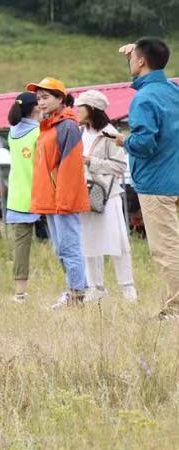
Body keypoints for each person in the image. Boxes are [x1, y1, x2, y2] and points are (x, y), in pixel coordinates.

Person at [118, 38, 179, 319]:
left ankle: (176, 309)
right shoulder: (172, 91)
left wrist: (123, 140)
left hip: (156, 184)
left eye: (133, 58)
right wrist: (139, 52)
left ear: (141, 61)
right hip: (175, 177)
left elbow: (144, 143)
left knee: (167, 251)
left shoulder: (144, 98)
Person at [26, 77, 90, 308]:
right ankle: (75, 290)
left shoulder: (68, 126)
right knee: (60, 248)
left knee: (69, 248)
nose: (41, 103)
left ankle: (77, 295)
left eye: (46, 97)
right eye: (38, 98)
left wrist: (64, 200)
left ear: (60, 99)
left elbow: (71, 168)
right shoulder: (50, 125)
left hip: (63, 199)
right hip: (50, 199)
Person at [75, 89, 136, 302]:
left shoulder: (109, 133)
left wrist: (92, 162)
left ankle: (128, 289)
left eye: (80, 107)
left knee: (117, 242)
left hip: (108, 195)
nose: (77, 111)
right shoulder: (81, 132)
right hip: (85, 194)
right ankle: (96, 288)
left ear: (91, 109)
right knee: (89, 242)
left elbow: (119, 166)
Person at [4, 91, 44, 302]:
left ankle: (20, 293)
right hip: (41, 195)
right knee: (63, 242)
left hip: (18, 198)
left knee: (20, 248)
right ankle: (74, 288)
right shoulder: (39, 133)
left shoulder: (11, 133)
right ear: (36, 108)